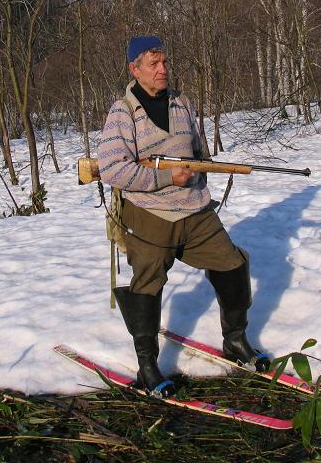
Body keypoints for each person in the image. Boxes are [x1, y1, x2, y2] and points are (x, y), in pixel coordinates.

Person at [97, 35, 269, 399]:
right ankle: (147, 367)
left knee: (232, 264)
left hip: (194, 209)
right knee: (148, 282)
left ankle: (235, 342)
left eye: (164, 63)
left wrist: (203, 172)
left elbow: (198, 152)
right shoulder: (122, 112)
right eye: (153, 64)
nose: (162, 70)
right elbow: (112, 169)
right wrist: (164, 177)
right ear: (134, 69)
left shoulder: (182, 104)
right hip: (148, 212)